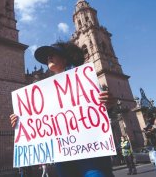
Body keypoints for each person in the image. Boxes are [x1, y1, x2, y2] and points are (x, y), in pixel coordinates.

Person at [10, 41, 115, 177]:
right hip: (63, 156)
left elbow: (100, 111)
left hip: (91, 153)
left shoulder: (84, 80)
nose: (49, 57)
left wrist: (107, 103)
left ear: (65, 59)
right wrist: (20, 122)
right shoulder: (42, 90)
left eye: (53, 54)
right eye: (47, 56)